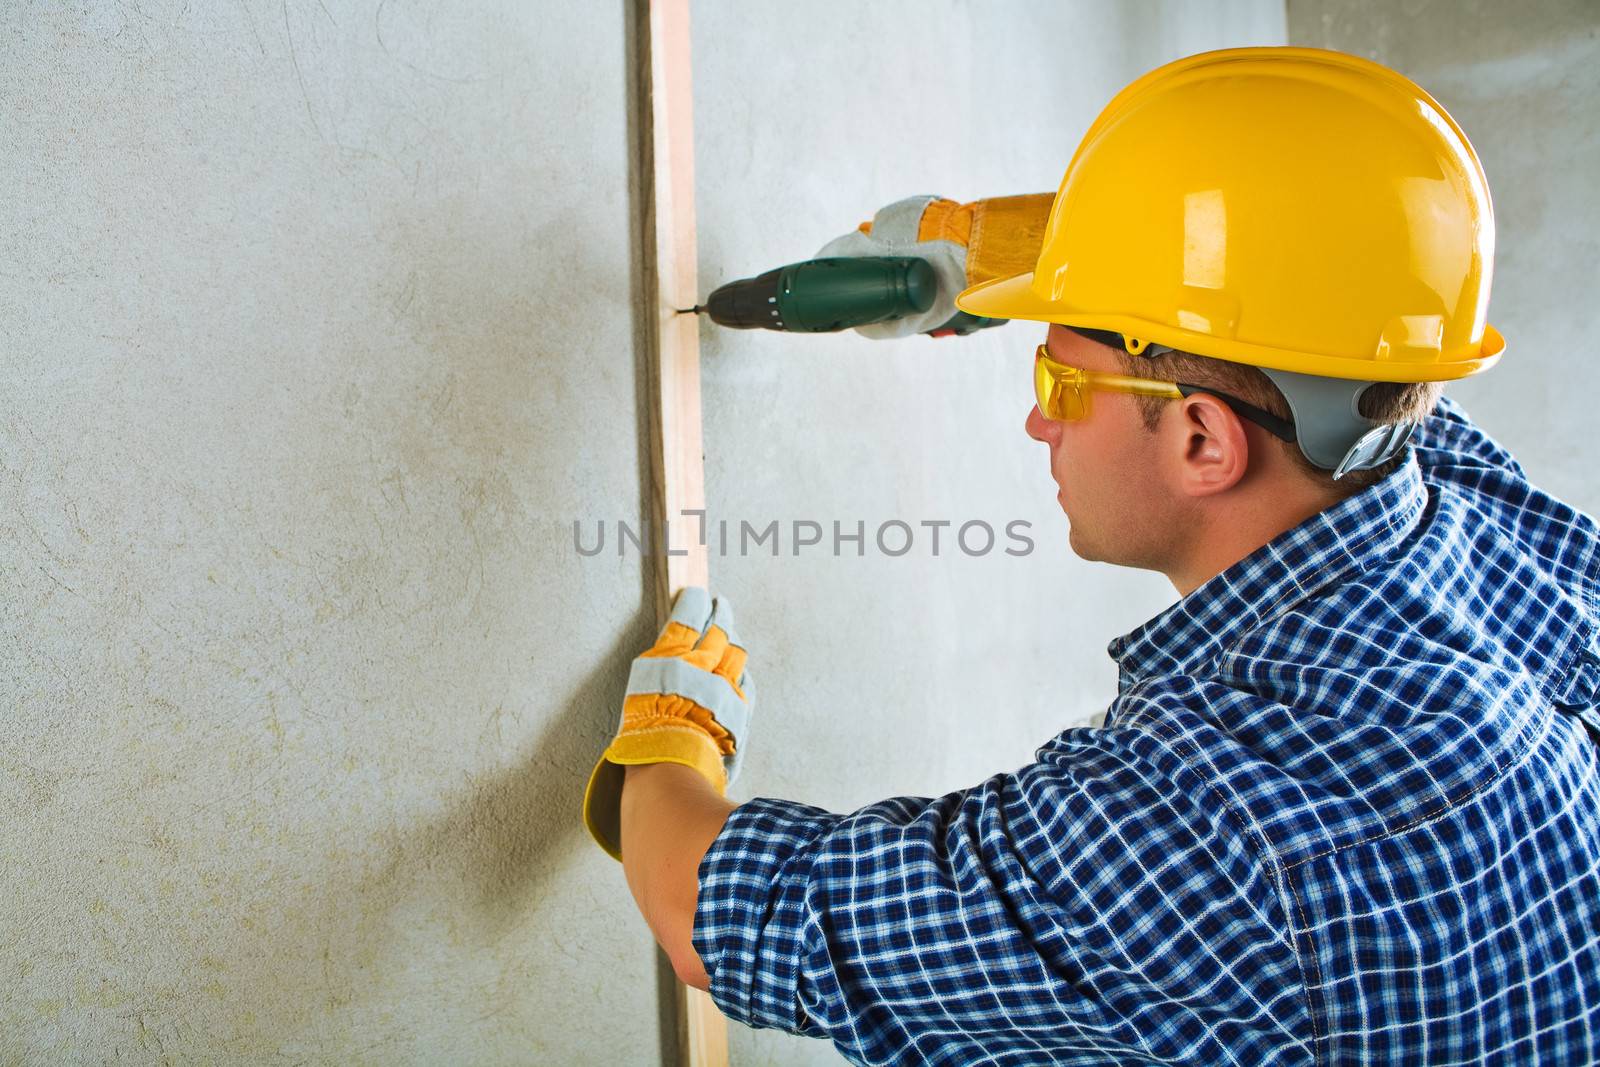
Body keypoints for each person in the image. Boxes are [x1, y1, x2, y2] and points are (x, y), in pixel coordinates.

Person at [582, 47, 1600, 1064]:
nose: (1036, 420)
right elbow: (1351, 303)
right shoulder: (1483, 524)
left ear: (1204, 440)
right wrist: (1034, 255)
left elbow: (733, 917)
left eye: (1058, 379)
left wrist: (671, 750)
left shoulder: (1194, 838)